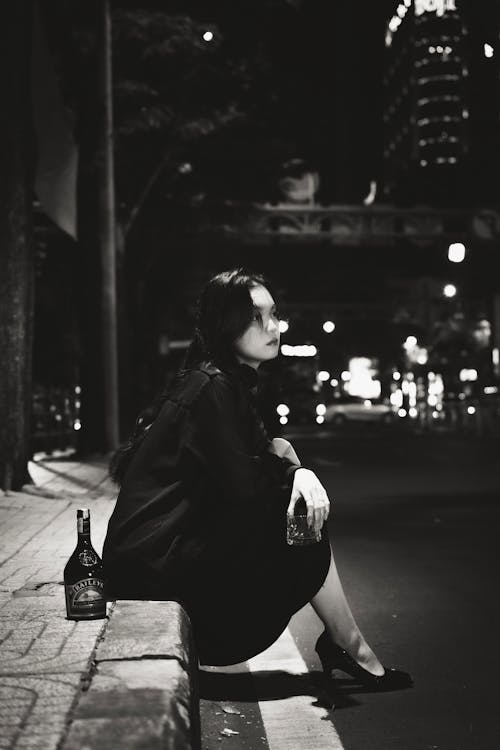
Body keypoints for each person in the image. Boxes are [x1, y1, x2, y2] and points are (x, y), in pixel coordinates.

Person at [103, 268, 412, 689]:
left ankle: (347, 642)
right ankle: (348, 644)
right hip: (154, 566)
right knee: (299, 517)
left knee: (291, 490)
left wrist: (292, 466)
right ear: (224, 323)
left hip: (158, 554)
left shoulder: (222, 381)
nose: (273, 326)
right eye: (255, 317)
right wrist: (297, 476)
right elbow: (246, 490)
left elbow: (255, 459)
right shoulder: (212, 387)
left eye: (273, 313)